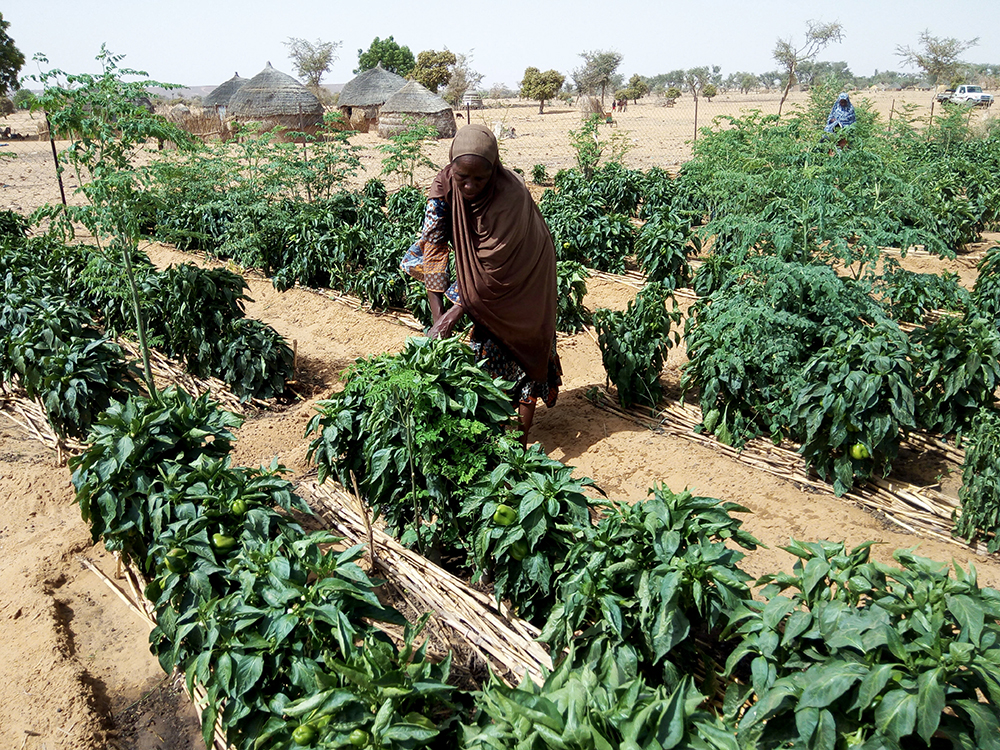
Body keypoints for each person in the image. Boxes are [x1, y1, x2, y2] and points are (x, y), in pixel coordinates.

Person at [400, 124, 561, 446]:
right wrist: (437, 318)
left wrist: (453, 314)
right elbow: (433, 249)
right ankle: (495, 430)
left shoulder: (510, 194)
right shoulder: (443, 186)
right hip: (480, 282)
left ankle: (519, 444)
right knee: (485, 347)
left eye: (480, 179)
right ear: (451, 168)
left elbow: (492, 267)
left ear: (494, 170)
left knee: (525, 344)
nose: (470, 186)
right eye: (463, 178)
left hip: (524, 273)